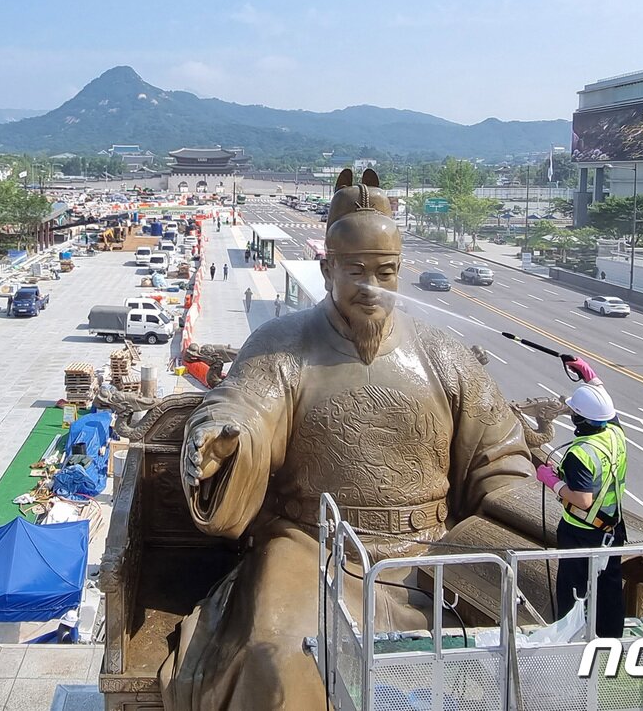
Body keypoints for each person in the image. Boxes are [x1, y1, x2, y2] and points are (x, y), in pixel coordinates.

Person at [167, 169, 535, 711]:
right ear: (327, 268)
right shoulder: (283, 345)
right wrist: (228, 437)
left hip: (430, 548)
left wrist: (528, 509)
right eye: (355, 270)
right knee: (276, 654)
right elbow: (244, 406)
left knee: (505, 654)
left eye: (385, 272)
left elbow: (498, 455)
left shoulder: (443, 353)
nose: (371, 286)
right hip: (312, 546)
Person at [536, 384, 628, 637]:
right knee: (609, 591)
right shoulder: (614, 435)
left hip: (581, 532)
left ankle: (570, 644)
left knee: (573, 592)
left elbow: (583, 500)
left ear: (578, 417)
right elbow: (610, 414)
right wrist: (591, 378)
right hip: (612, 529)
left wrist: (552, 481)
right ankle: (612, 642)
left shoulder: (581, 452)